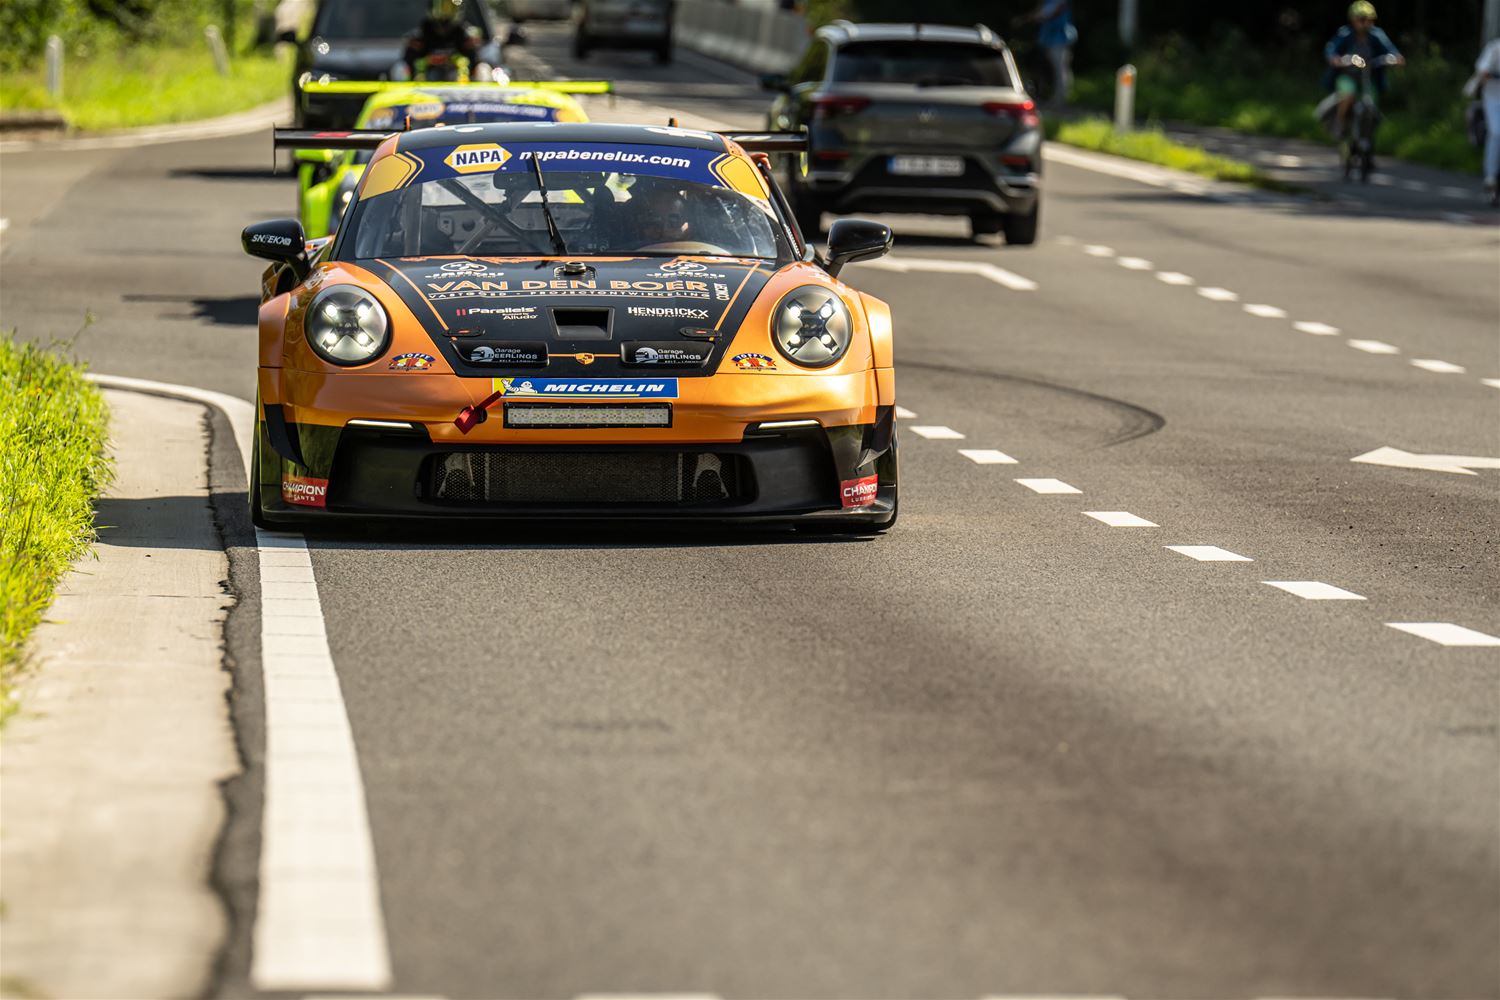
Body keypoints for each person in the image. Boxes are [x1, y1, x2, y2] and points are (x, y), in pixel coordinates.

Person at [1323, 1, 1404, 140]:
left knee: (1372, 104)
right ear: (1353, 20)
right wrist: (1336, 59)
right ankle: (1340, 124)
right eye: (1362, 20)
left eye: (1370, 20)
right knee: (1348, 95)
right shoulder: (1345, 34)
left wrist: (1396, 58)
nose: (1366, 23)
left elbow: (1391, 50)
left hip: (1368, 78)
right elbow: (1331, 50)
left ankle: (1368, 135)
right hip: (1348, 76)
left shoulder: (1377, 35)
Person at [403, 0, 483, 80]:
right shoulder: (422, 31)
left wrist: (453, 60)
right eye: (442, 7)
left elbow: (474, 60)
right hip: (426, 77)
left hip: (457, 78)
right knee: (400, 69)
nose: (445, 13)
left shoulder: (463, 32)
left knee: (482, 69)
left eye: (449, 7)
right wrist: (428, 61)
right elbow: (409, 60)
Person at [1026, 0, 1075, 107]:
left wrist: (1032, 17)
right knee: (1055, 70)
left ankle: (1060, 99)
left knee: (1060, 69)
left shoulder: (1059, 2)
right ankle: (1056, 97)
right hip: (1048, 40)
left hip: (1059, 40)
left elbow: (1045, 15)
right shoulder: (1047, 2)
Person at [1475, 36, 1500, 206]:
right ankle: (1490, 176)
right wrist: (1489, 74)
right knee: (1496, 132)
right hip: (1494, 98)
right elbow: (1482, 69)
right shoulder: (1495, 48)